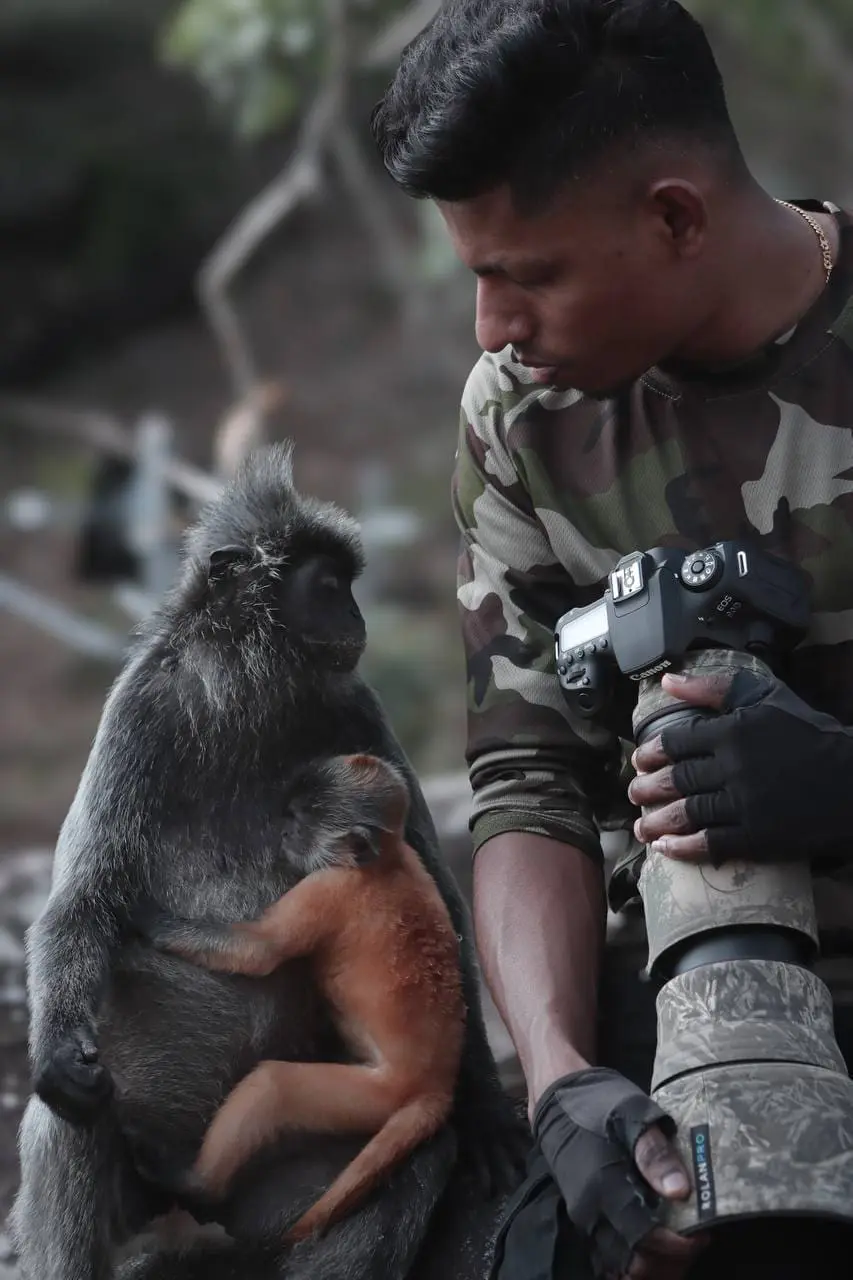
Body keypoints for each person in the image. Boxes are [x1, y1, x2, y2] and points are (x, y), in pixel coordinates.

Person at [371, 1, 853, 1278]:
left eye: (528, 274)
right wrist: (562, 1080)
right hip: (673, 1006)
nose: (491, 326)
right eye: (476, 274)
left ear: (676, 217)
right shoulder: (519, 417)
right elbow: (525, 779)